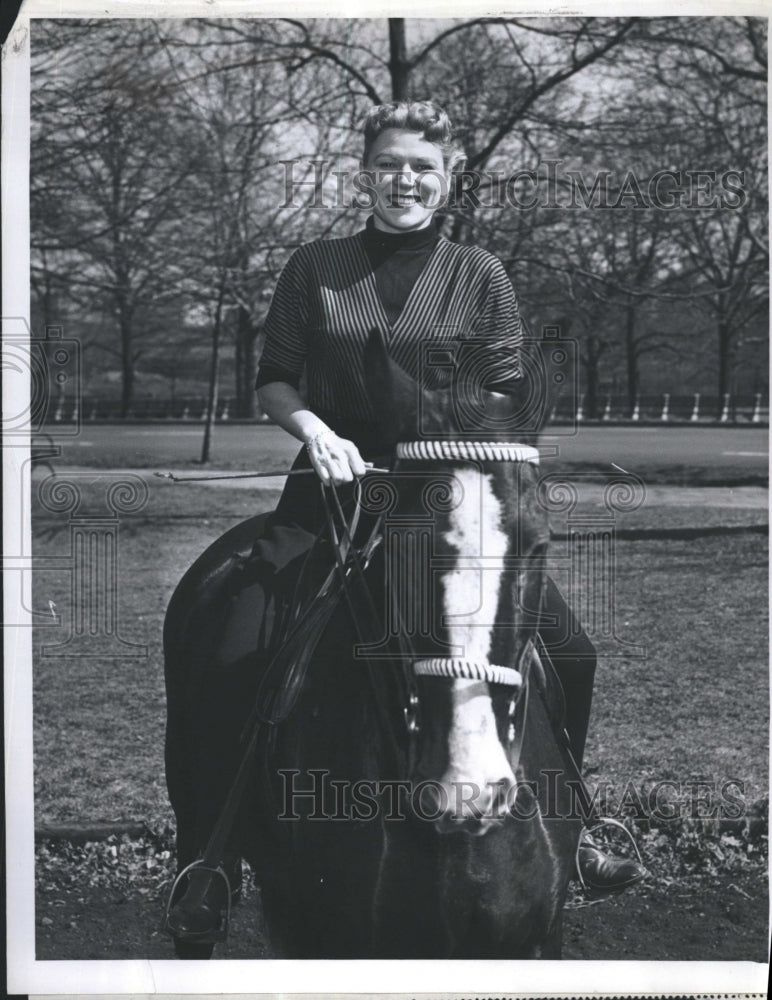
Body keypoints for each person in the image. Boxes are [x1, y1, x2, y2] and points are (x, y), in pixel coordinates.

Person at [165, 100, 646, 943]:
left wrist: (448, 441)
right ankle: (205, 858)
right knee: (232, 642)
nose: (405, 179)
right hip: (334, 495)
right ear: (365, 172)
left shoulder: (480, 273)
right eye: (390, 163)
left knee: (570, 648)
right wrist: (313, 430)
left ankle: (579, 827)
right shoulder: (316, 265)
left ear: (448, 178)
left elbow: (502, 390)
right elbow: (275, 379)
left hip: (450, 501)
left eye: (423, 166)